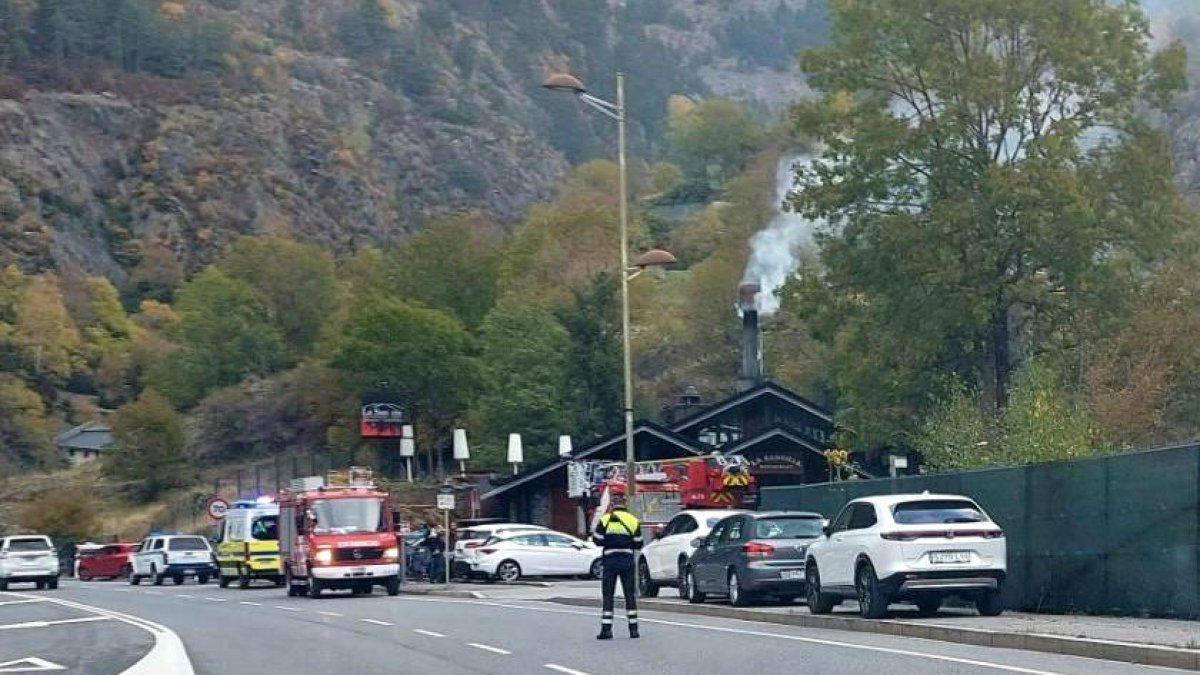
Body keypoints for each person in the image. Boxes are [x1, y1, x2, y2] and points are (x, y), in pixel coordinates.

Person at [592, 493, 643, 640]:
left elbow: (597, 540)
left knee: (608, 595)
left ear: (613, 505)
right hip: (627, 560)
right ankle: (633, 630)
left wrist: (610, 541)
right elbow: (639, 542)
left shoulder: (605, 519)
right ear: (625, 504)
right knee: (629, 595)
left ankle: (606, 630)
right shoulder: (633, 520)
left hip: (610, 561)